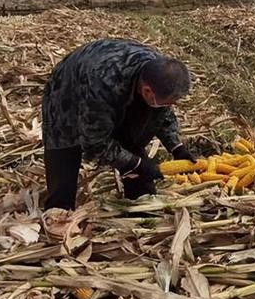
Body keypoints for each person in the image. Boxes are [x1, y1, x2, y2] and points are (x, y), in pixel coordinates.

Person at [42, 38, 196, 210]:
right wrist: (136, 164)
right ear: (146, 91)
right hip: (67, 93)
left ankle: (140, 202)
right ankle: (58, 209)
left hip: (117, 84)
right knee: (65, 150)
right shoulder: (104, 83)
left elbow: (162, 113)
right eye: (168, 102)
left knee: (134, 140)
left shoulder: (158, 75)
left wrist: (176, 147)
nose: (170, 107)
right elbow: (95, 142)